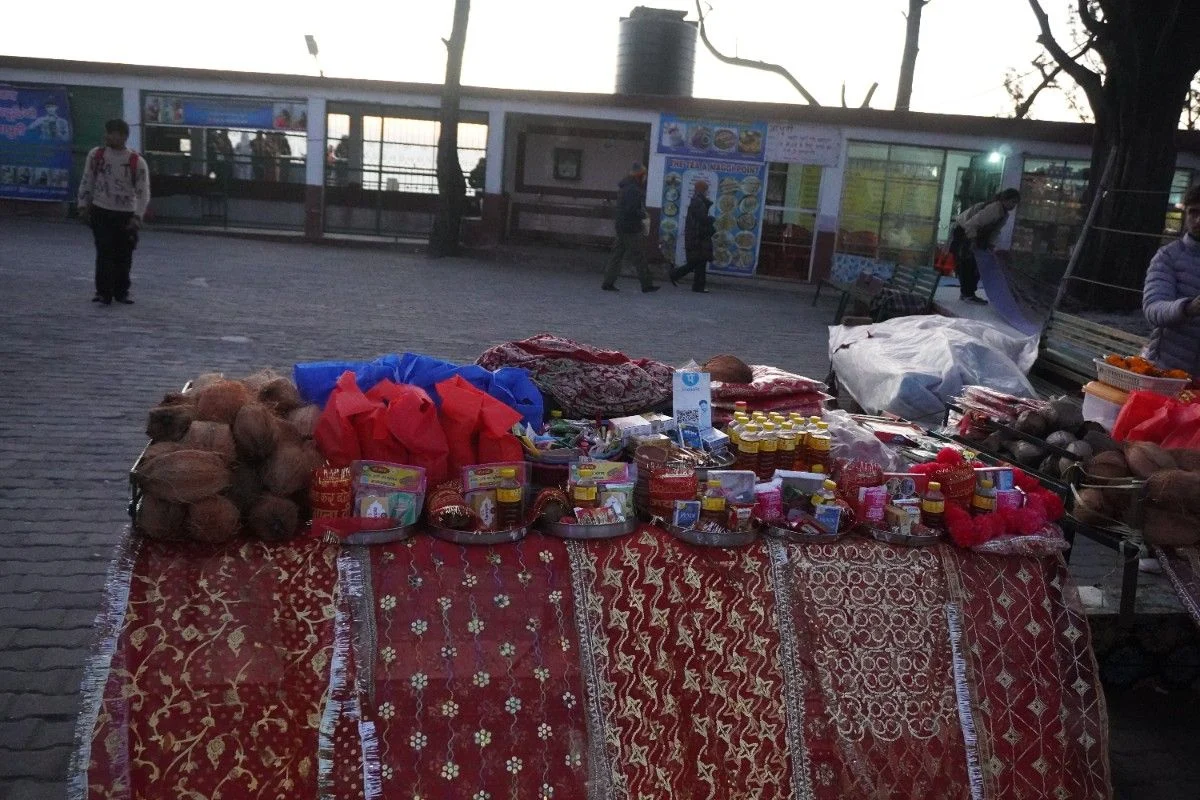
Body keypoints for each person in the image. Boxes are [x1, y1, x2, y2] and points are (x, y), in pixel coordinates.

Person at [77, 118, 151, 305]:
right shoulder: (96, 155)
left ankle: (121, 291)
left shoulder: (136, 161)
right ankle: (103, 292)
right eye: (107, 132)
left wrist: (138, 216)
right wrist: (83, 204)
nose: (108, 136)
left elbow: (143, 191)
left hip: (125, 213)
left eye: (112, 133)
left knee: (124, 255)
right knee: (103, 252)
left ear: (123, 136)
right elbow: (87, 179)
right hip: (101, 209)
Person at [1143, 183, 1200, 377]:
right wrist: (1188, 308)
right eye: (1193, 212)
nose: (1198, 220)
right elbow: (1153, 308)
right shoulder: (1168, 256)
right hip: (1168, 372)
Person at [948, 187, 1021, 305]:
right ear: (1005, 199)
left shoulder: (1004, 214)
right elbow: (971, 224)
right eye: (1012, 202)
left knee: (975, 264)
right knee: (968, 264)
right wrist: (972, 241)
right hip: (964, 231)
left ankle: (968, 293)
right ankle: (967, 294)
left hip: (974, 234)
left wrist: (990, 245)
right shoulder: (994, 209)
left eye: (1016, 203)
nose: (1013, 205)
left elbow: (995, 231)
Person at [601, 162, 659, 293]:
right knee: (639, 255)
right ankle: (647, 284)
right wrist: (643, 214)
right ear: (640, 175)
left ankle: (608, 282)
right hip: (630, 227)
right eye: (644, 175)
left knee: (617, 254)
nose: (645, 177)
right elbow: (631, 209)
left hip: (622, 225)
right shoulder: (633, 189)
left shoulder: (625, 186)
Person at [670, 179, 716, 293]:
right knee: (699, 261)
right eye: (706, 190)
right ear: (702, 190)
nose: (707, 192)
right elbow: (701, 219)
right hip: (698, 236)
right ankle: (679, 277)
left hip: (697, 235)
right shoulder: (698, 202)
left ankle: (695, 284)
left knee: (698, 261)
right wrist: (711, 219)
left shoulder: (698, 200)